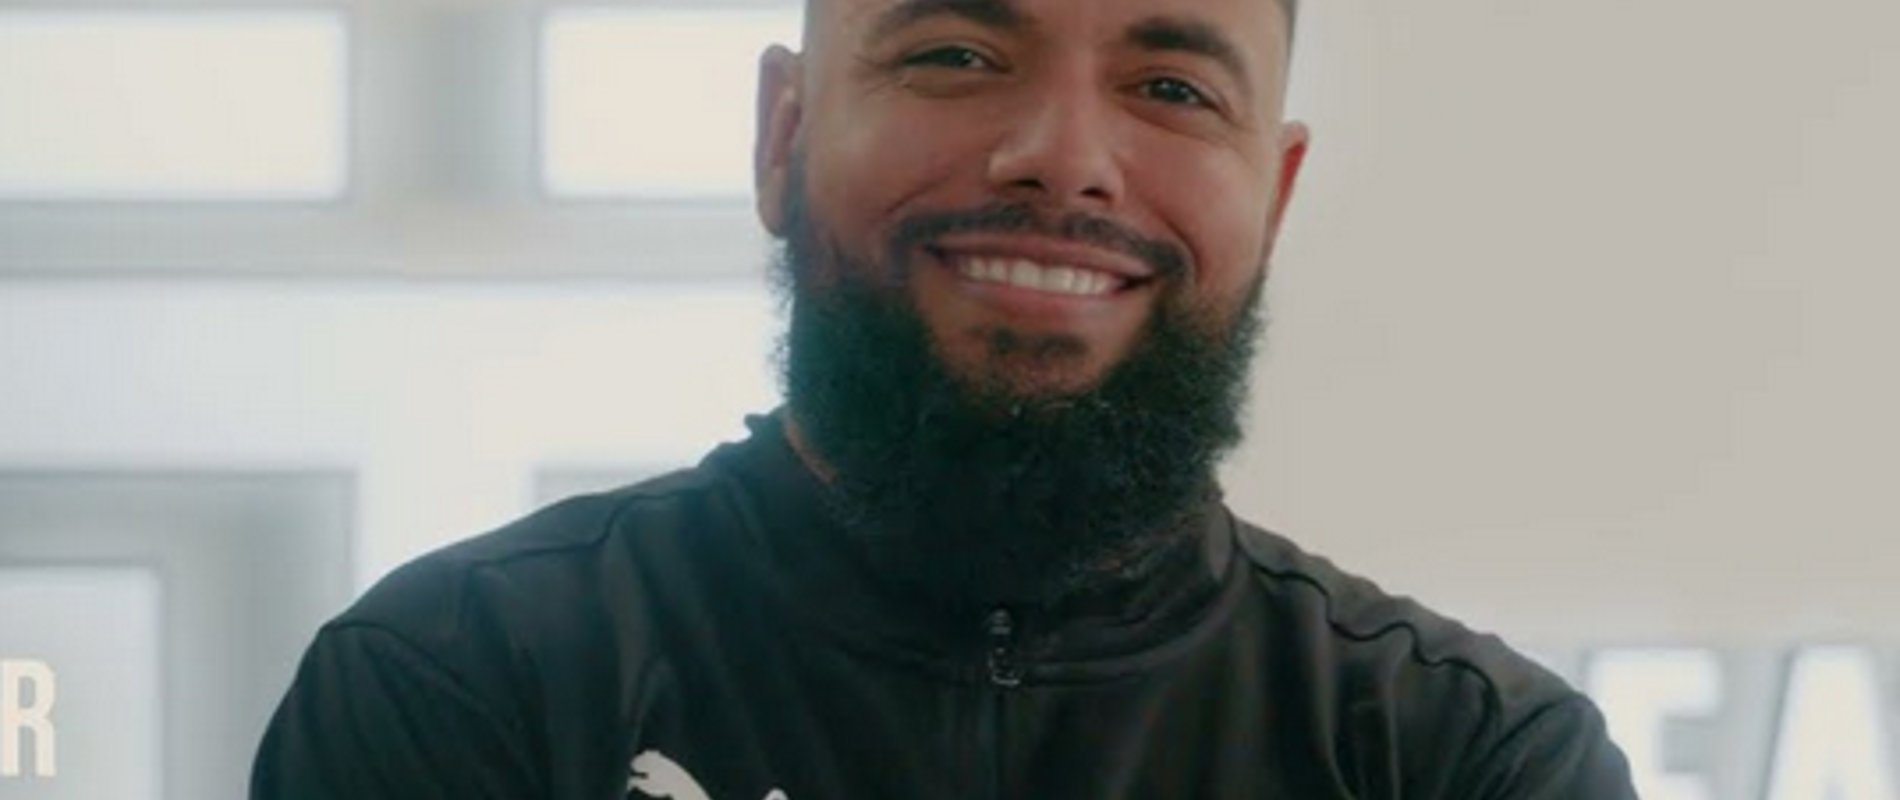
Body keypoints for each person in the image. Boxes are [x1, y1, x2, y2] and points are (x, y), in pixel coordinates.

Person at [253, 0, 1638, 796]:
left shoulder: (1459, 759)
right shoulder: (463, 681)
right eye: (957, 54)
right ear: (785, 135)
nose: (1062, 157)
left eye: (1169, 85)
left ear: (1270, 201)